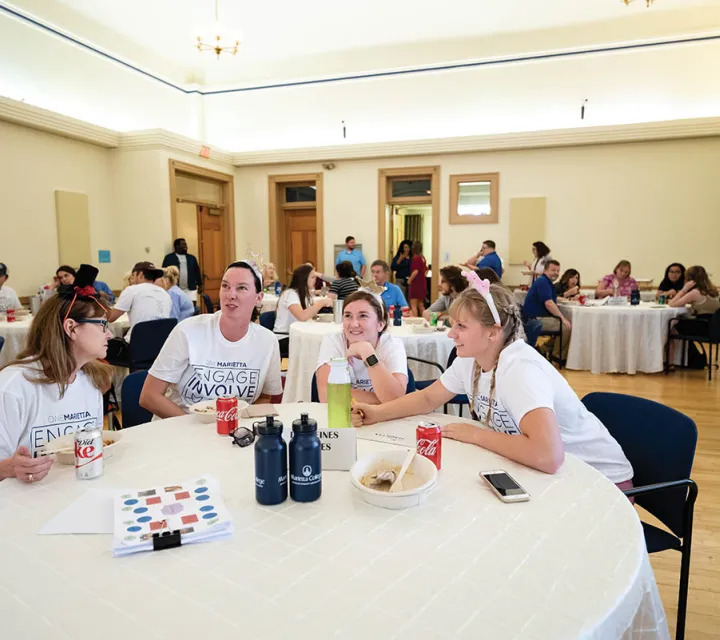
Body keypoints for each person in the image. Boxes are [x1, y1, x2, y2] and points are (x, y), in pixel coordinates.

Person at [350, 276, 633, 489]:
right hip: (551, 473)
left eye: (461, 326)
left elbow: (548, 456)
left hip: (599, 482)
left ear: (493, 333)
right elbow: (426, 399)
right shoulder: (471, 359)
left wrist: (474, 434)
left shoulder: (519, 369)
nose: (451, 335)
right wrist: (377, 413)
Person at [0, 264, 113, 482]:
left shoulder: (92, 381)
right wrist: (9, 468)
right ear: (71, 328)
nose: (108, 334)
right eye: (101, 325)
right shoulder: (12, 387)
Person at [140, 261, 283, 417]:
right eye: (225, 286)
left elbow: (265, 397)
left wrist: (237, 425)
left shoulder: (267, 341)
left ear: (258, 298)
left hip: (232, 434)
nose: (231, 295)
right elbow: (149, 396)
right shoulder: (188, 331)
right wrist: (199, 429)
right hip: (181, 430)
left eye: (241, 288)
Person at [315, 291, 407, 404]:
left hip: (382, 418)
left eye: (363, 316)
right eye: (348, 315)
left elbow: (396, 400)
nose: (354, 324)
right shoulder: (334, 341)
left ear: (381, 324)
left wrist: (367, 353)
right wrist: (382, 399)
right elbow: (327, 395)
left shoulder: (392, 344)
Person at [104, 262, 172, 364]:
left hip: (136, 349)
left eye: (132, 276)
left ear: (139, 275)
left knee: (101, 349)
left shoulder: (132, 290)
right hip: (160, 349)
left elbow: (110, 318)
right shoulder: (165, 294)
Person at [523, 260, 571, 360]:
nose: (556, 273)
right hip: (535, 319)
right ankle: (557, 356)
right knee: (566, 327)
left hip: (535, 317)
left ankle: (543, 349)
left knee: (565, 325)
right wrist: (562, 318)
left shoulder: (546, 281)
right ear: (545, 270)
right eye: (553, 270)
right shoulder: (543, 282)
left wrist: (568, 299)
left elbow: (552, 298)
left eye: (558, 271)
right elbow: (548, 303)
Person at [273, 264, 331, 334]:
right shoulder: (290, 294)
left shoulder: (305, 294)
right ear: (303, 279)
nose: (315, 280)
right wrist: (322, 303)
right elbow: (302, 316)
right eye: (312, 277)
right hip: (285, 336)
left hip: (297, 333)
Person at [162, 238, 202, 302]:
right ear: (176, 246)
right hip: (175, 288)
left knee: (192, 307)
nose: (185, 246)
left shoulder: (192, 258)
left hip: (190, 289)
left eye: (186, 244)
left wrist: (200, 284)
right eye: (183, 245)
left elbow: (197, 271)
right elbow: (164, 273)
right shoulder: (169, 258)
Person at [407, 241, 428, 317]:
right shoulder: (423, 258)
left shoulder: (415, 258)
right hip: (422, 284)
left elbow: (415, 271)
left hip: (416, 284)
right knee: (421, 305)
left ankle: (415, 322)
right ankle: (426, 319)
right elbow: (426, 270)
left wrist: (409, 280)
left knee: (413, 306)